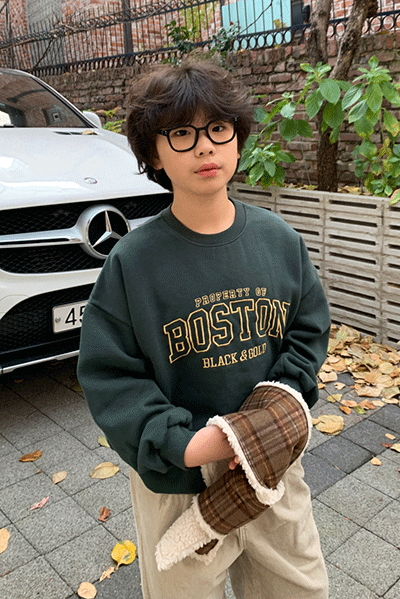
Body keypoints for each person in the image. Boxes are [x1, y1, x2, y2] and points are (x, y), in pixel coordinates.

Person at [77, 59, 331, 599]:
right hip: (178, 483)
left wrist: (272, 416)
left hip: (271, 466)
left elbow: (308, 332)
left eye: (218, 128)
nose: (204, 147)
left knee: (300, 589)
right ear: (153, 154)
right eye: (181, 133)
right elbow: (109, 376)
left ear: (237, 140)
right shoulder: (132, 264)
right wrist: (187, 444)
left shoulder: (279, 241)